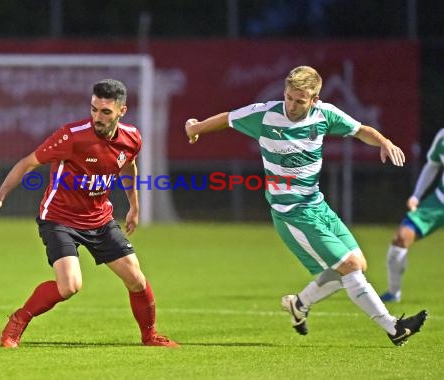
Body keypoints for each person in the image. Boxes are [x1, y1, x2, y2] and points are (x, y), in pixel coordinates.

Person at [184, 65, 427, 346]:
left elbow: (360, 130)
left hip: (317, 205)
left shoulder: (325, 115)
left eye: (300, 100)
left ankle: (299, 305)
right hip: (291, 213)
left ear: (314, 100)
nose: (292, 105)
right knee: (348, 266)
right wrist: (195, 128)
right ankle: (394, 327)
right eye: (289, 97)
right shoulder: (266, 114)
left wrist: (383, 141)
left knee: (357, 264)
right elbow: (228, 118)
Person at [0, 79, 178, 348]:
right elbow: (28, 162)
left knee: (136, 279)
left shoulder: (132, 138)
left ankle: (149, 336)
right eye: (94, 109)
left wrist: (134, 206)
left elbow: (128, 167)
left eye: (105, 112)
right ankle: (17, 321)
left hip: (100, 220)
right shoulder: (71, 136)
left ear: (122, 111)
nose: (97, 117)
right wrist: (0, 195)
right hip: (59, 219)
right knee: (70, 285)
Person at [380, 128, 444, 303]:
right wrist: (416, 195)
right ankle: (394, 293)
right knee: (401, 238)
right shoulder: (442, 136)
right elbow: (433, 164)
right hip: (438, 203)